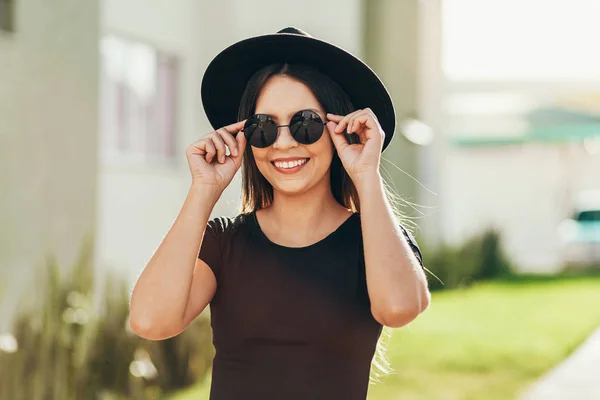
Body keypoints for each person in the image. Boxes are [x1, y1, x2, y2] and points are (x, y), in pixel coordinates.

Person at [129, 27, 430, 400]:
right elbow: (150, 321)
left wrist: (366, 176)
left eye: (306, 123)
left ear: (341, 131)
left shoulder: (375, 240)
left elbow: (399, 308)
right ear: (246, 138)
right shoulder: (225, 242)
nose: (284, 142)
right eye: (264, 127)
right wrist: (203, 191)